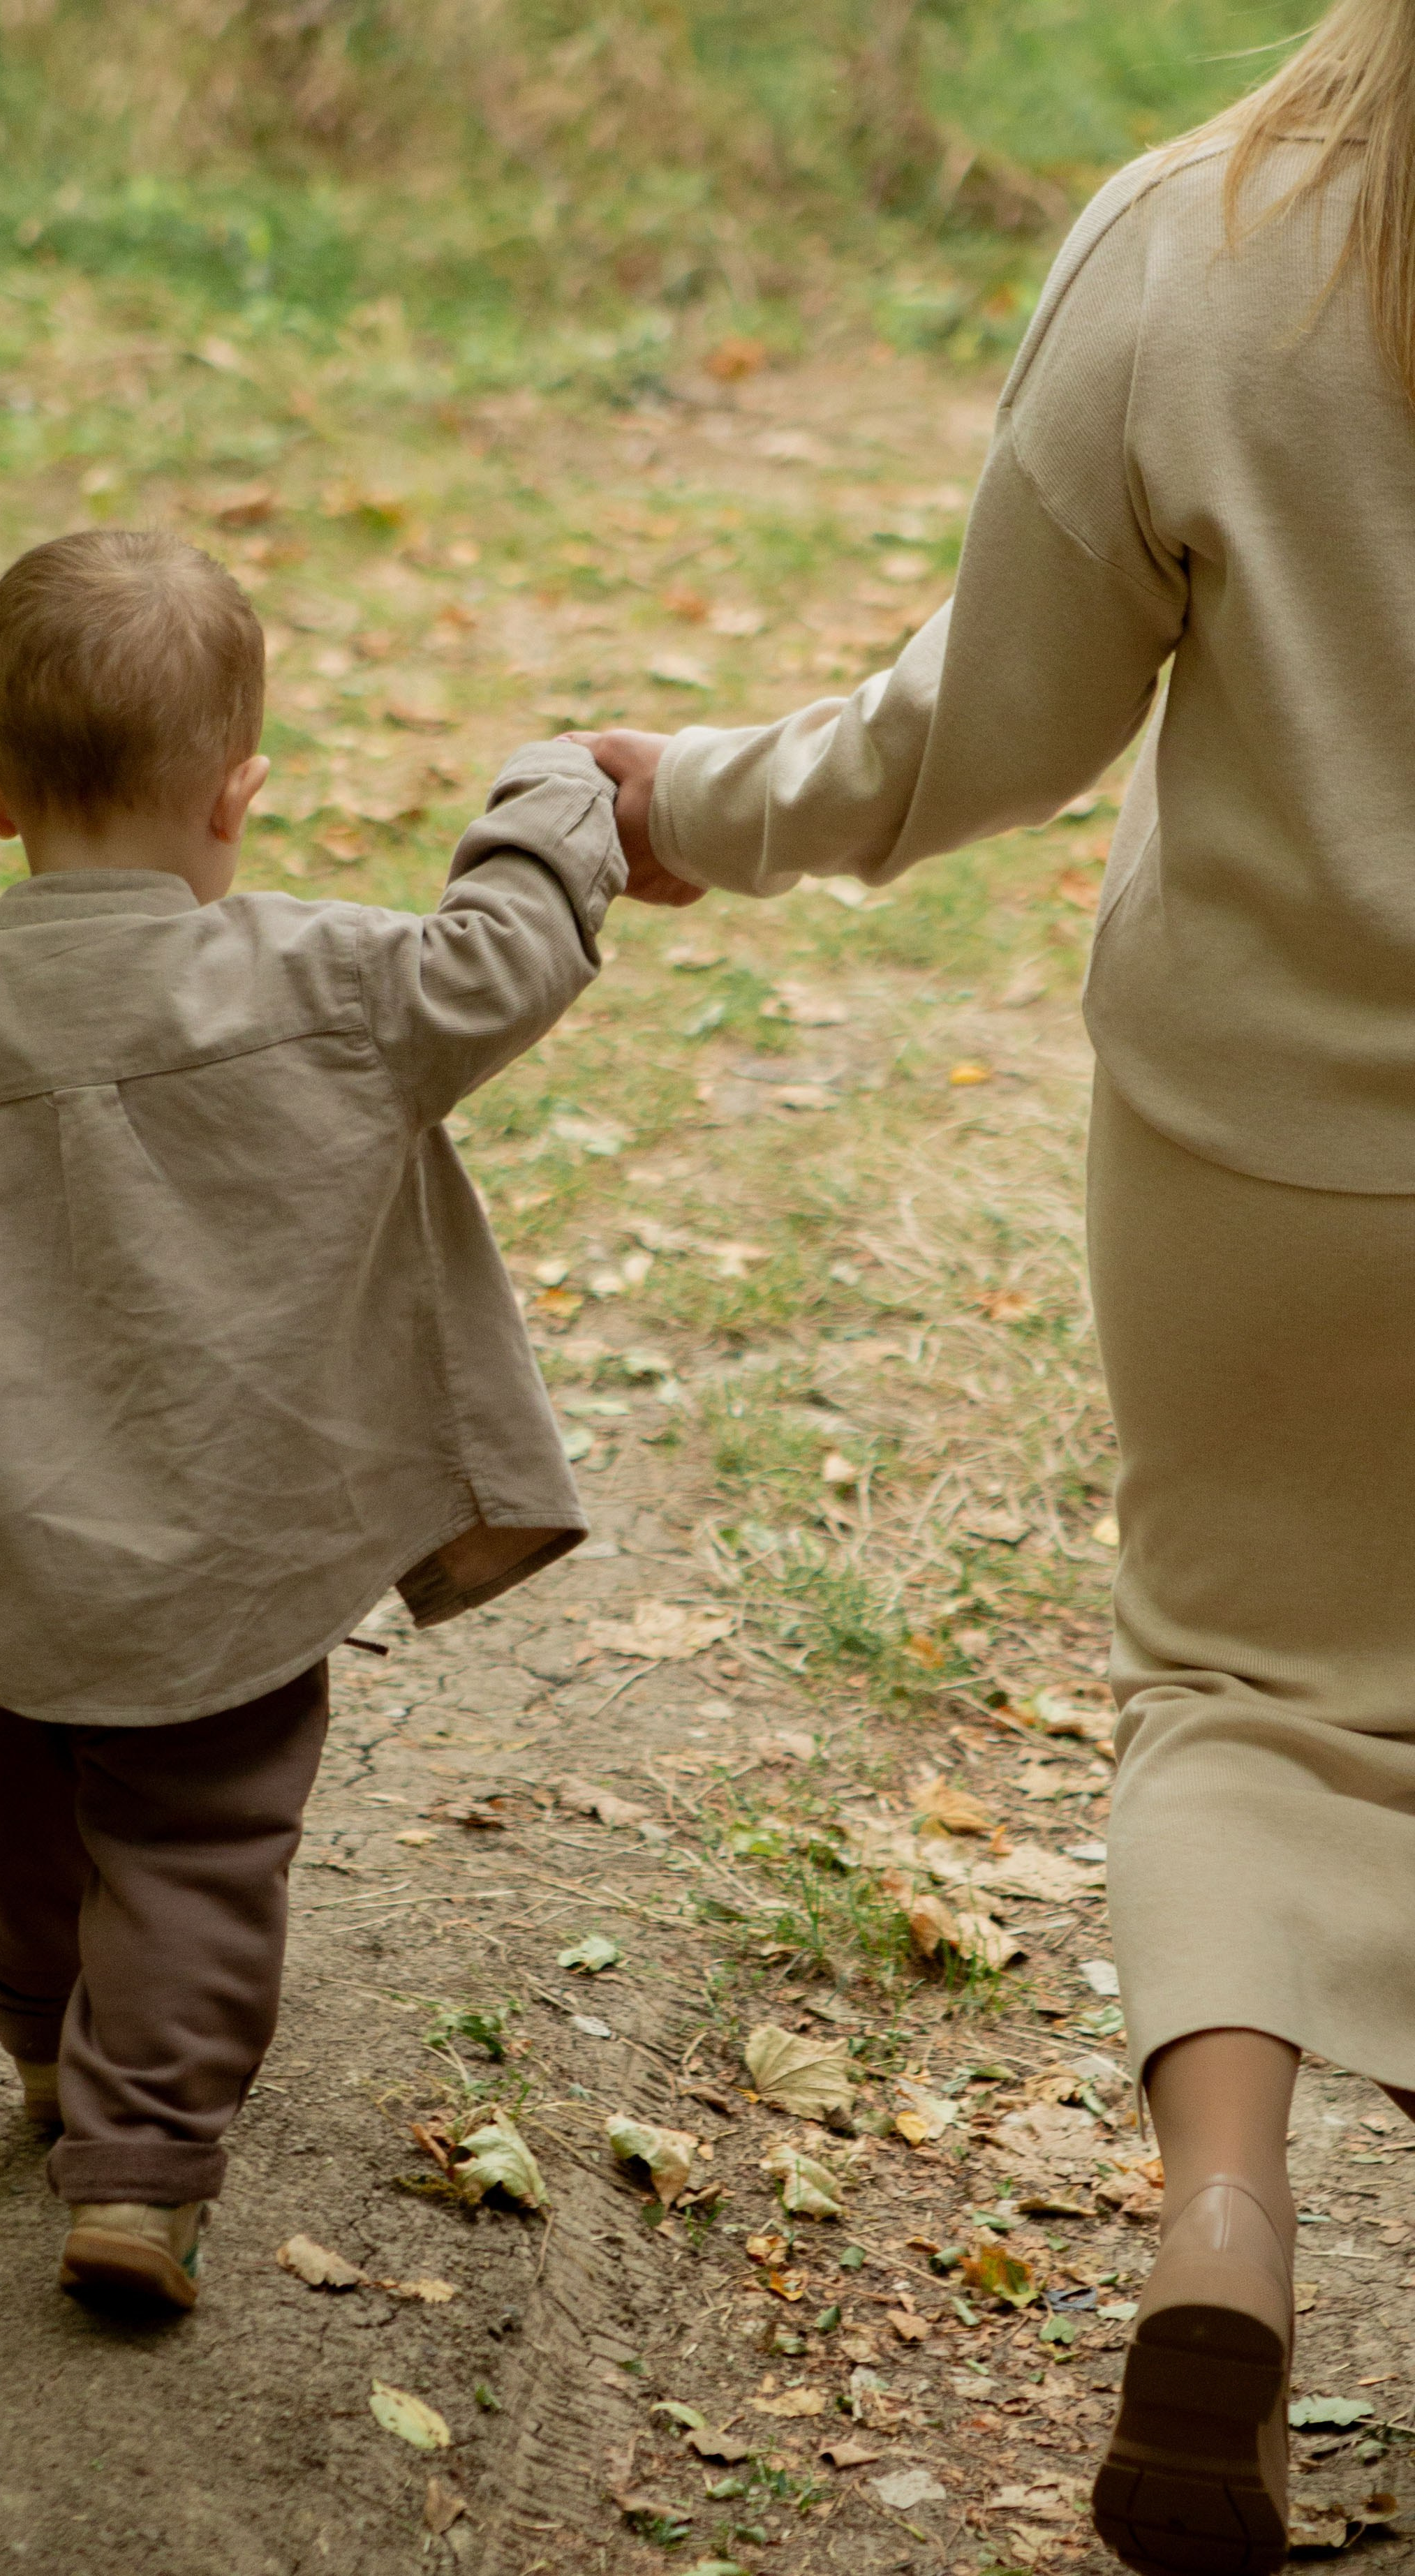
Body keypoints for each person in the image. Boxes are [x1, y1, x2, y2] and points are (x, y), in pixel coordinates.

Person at [577, 6, 1415, 2567]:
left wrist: (691, 802)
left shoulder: (1201, 245)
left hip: (1273, 1157)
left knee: (1249, 1695)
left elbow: (1008, 719)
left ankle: (1224, 2241)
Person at [0, 528, 632, 2313]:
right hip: (236, 1556)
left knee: (32, 1807)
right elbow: (504, 959)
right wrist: (558, 792)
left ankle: (51, 2055)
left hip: (7, 1567)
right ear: (240, 795)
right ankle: (137, 2167)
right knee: (199, 1841)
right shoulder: (328, 986)